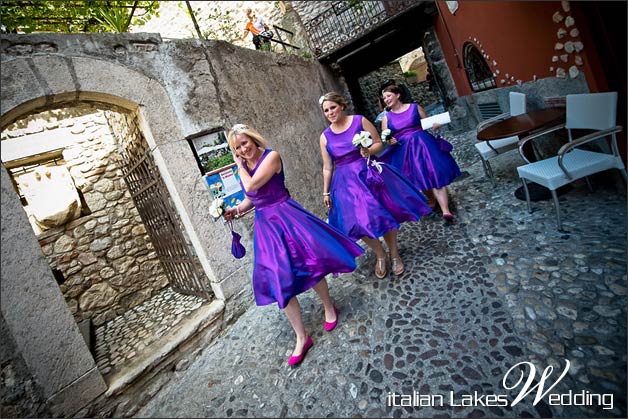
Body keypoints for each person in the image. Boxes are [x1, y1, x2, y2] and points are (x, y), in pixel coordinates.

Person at [223, 123, 364, 367]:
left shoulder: (271, 156)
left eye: (244, 143)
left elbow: (251, 185)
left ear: (254, 140)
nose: (242, 150)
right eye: (237, 147)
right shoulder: (246, 167)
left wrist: (238, 167)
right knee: (279, 278)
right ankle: (301, 337)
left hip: (287, 216)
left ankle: (329, 307)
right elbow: (251, 198)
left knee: (310, 263)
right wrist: (235, 210)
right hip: (266, 226)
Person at [318, 92, 432, 279]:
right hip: (346, 182)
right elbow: (328, 167)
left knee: (384, 214)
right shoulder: (324, 137)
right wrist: (325, 192)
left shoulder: (359, 121)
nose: (330, 112)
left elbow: (379, 143)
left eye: (333, 107)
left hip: (369, 173)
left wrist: (367, 150)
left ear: (341, 106)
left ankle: (394, 253)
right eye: (326, 110)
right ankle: (380, 254)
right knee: (356, 222)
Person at [379, 85, 461, 220]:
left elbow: (428, 123)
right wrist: (390, 141)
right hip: (405, 150)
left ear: (398, 95)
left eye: (388, 96)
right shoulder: (386, 119)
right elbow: (386, 138)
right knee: (419, 177)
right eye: (384, 98)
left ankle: (446, 210)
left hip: (425, 145)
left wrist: (436, 126)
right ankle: (432, 200)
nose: (386, 100)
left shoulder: (415, 107)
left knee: (435, 174)